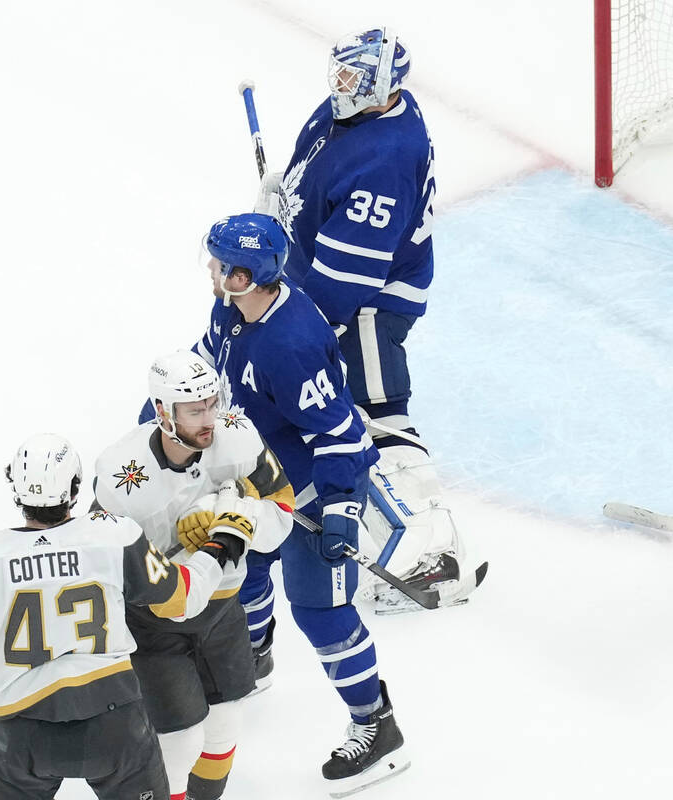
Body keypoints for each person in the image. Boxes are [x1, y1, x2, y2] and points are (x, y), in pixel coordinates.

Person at [0, 434, 242, 799]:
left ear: (15, 490)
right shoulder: (114, 537)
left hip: (22, 737)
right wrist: (220, 545)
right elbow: (183, 598)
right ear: (75, 488)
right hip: (116, 726)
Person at [256, 27, 471, 611]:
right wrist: (287, 200)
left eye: (354, 78)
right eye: (340, 74)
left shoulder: (387, 157)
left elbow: (352, 276)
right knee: (347, 414)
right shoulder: (346, 112)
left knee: (382, 420)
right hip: (328, 283)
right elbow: (314, 171)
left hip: (374, 301)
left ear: (386, 85)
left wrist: (296, 328)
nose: (340, 85)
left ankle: (437, 559)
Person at [195, 212, 409, 796]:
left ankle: (376, 724)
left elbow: (342, 434)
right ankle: (254, 656)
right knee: (242, 571)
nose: (211, 270)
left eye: (221, 264)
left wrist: (340, 509)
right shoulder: (234, 309)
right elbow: (210, 368)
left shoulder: (290, 344)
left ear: (245, 276)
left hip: (315, 493)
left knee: (320, 612)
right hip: (263, 484)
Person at [94, 351, 296, 800]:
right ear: (163, 412)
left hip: (222, 607)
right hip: (155, 622)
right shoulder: (120, 473)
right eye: (195, 410)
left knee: (224, 726)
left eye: (212, 403)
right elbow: (100, 562)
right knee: (179, 741)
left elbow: (282, 508)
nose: (210, 418)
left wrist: (232, 511)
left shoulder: (238, 438)